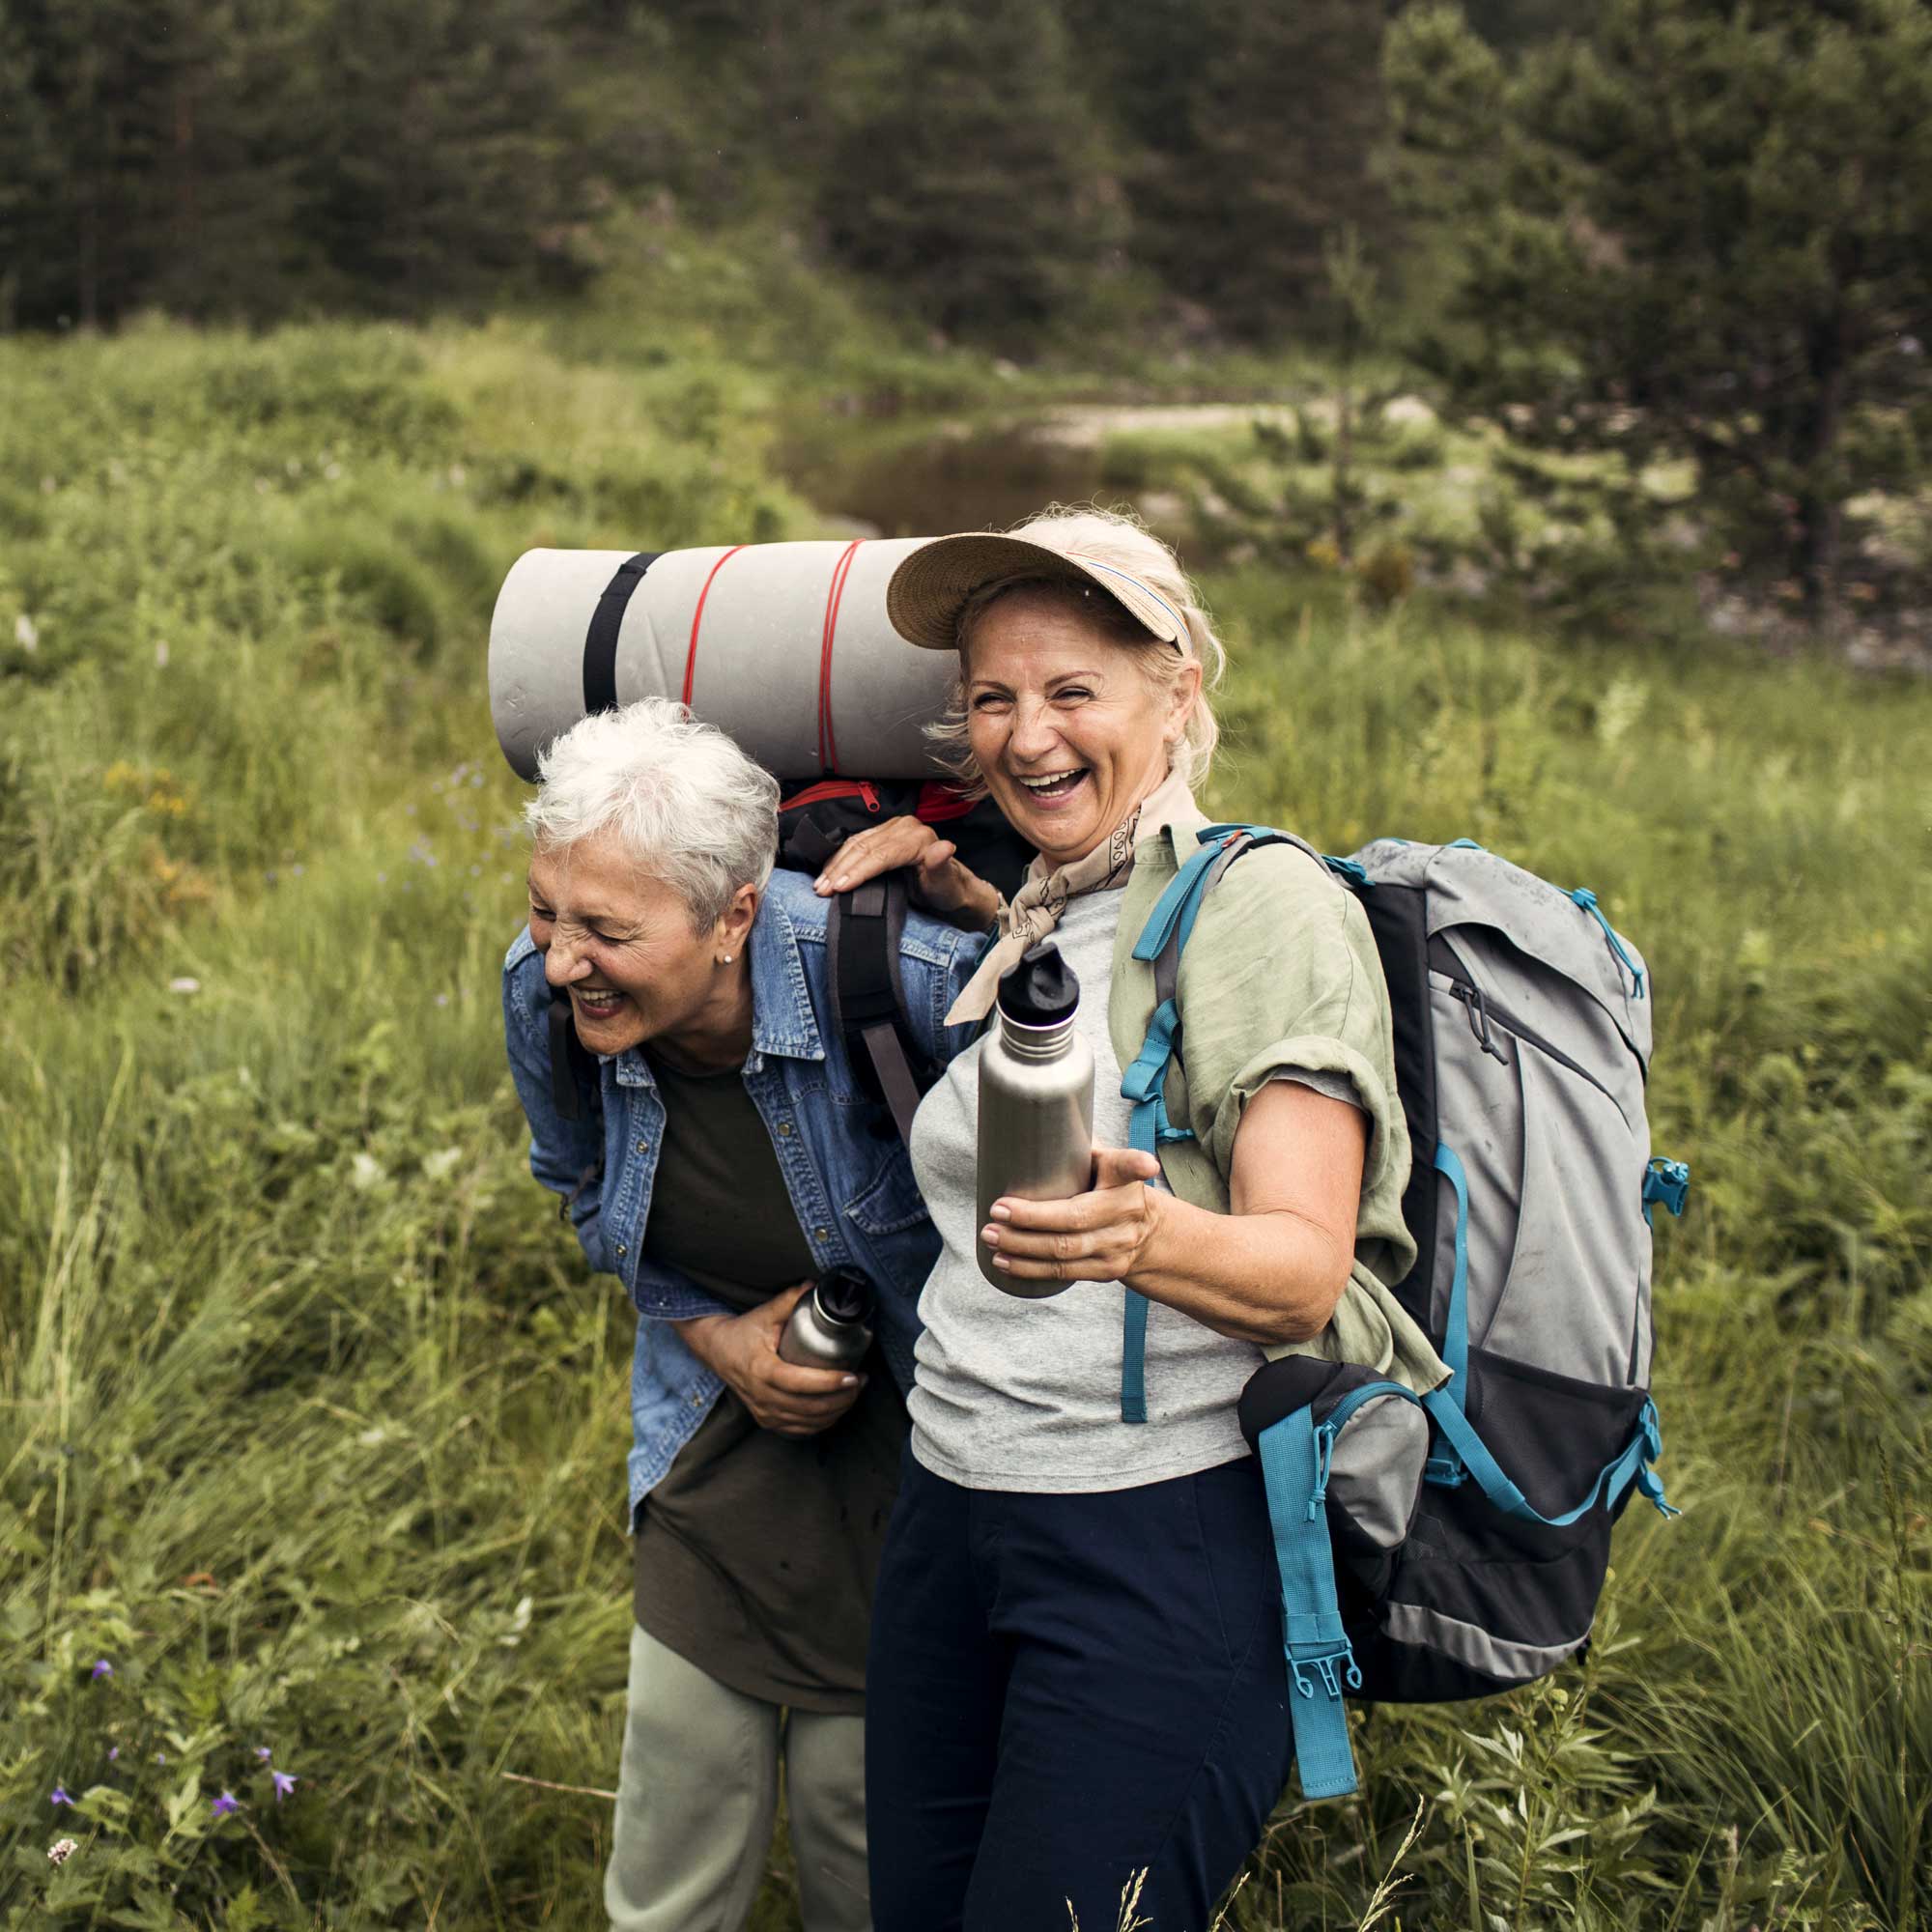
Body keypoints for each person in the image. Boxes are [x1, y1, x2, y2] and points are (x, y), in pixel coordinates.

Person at [820, 508, 1450, 1932]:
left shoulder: (1264, 908)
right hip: (952, 1521)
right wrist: (957, 890)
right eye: (991, 697)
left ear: (1177, 694)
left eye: (1071, 690)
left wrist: (1145, 1239)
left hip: (1156, 1543)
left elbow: (1302, 1273)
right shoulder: (1046, 914)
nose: (1026, 736)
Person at [500, 697, 980, 1932]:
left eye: (605, 928)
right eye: (548, 910)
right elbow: (580, 1189)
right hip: (715, 1439)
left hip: (926, 1456)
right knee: (672, 1834)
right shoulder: (547, 999)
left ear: (733, 917)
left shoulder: (904, 981)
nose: (561, 959)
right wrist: (712, 1335)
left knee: (860, 1832)